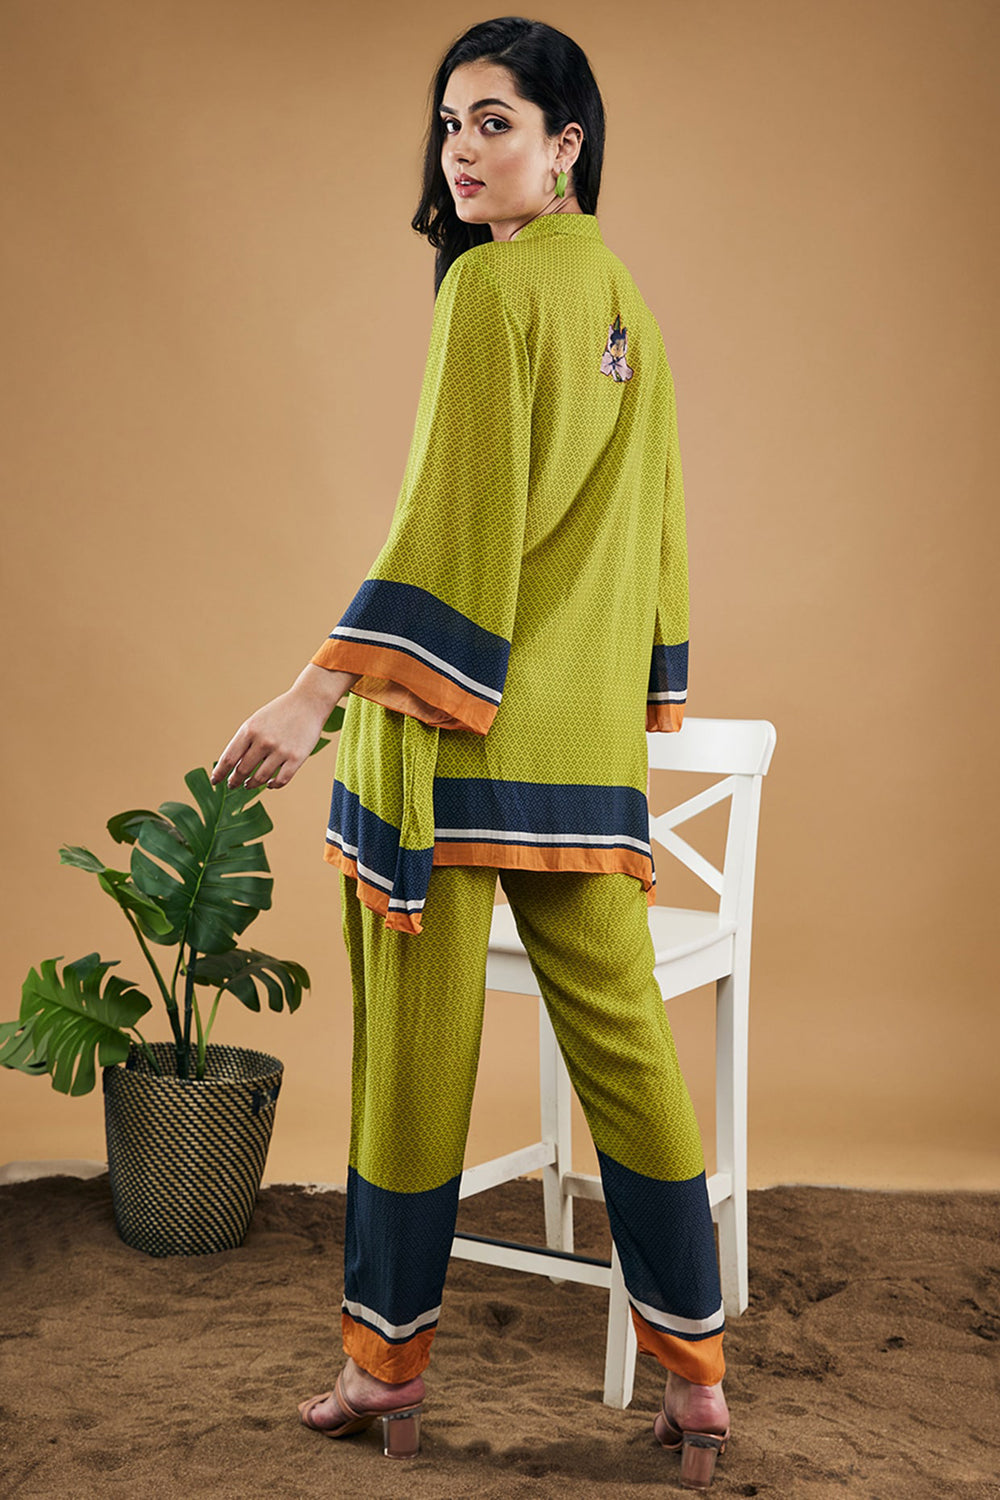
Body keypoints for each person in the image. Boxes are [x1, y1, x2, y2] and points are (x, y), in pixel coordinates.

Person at [212, 16, 731, 1490]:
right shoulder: (628, 302)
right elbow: (658, 537)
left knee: (413, 1058)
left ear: (569, 143)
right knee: (627, 1049)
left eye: (495, 121)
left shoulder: (491, 290)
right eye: (450, 122)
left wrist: (311, 696)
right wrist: (636, 702)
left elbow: (447, 526)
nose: (461, 148)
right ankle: (696, 1379)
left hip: (450, 742)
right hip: (578, 752)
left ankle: (384, 1370)